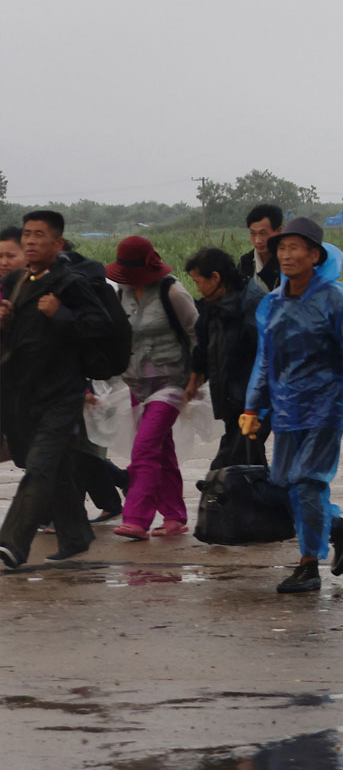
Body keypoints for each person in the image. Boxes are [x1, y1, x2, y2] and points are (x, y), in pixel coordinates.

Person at [240, 217, 343, 594]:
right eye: (281, 248)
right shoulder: (274, 304)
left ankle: (308, 565)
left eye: (295, 248)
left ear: (315, 255)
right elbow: (266, 360)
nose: (286, 255)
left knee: (306, 483)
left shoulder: (338, 300)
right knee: (283, 484)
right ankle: (339, 528)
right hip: (286, 408)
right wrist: (254, 407)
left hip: (326, 404)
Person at [0, 210, 114, 568]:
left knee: (39, 466)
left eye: (39, 235)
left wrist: (60, 314)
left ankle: (12, 543)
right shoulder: (18, 280)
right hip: (23, 392)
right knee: (57, 465)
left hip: (61, 394)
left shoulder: (70, 283)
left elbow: (100, 325)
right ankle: (76, 536)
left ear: (58, 243)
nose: (31, 241)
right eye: (27, 235)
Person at [104, 236, 201, 541]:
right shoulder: (121, 295)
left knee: (144, 447)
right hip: (136, 385)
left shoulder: (173, 292)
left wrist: (196, 380)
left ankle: (136, 518)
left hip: (173, 384)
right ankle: (174, 517)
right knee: (161, 449)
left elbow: (198, 335)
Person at [184, 247, 266, 469]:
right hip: (232, 401)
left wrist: (257, 404)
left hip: (252, 403)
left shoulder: (252, 303)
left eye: (198, 281)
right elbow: (203, 344)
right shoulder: (212, 305)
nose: (197, 287)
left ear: (216, 278)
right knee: (249, 465)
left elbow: (266, 355)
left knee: (227, 467)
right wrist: (195, 377)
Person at [239, 203, 283, 291]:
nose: (258, 240)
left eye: (263, 233)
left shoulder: (287, 262)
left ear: (279, 231)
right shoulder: (245, 263)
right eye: (253, 233)